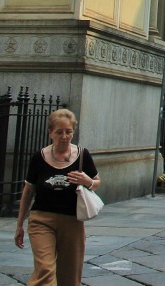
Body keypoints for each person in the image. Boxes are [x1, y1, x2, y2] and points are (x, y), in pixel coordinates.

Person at [14, 108, 100, 286]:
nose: (64, 137)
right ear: (50, 132)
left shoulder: (83, 155)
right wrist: (19, 224)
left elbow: (96, 182)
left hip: (72, 221)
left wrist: (87, 181)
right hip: (41, 220)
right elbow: (28, 190)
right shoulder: (39, 157)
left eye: (69, 132)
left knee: (69, 275)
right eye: (59, 132)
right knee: (45, 270)